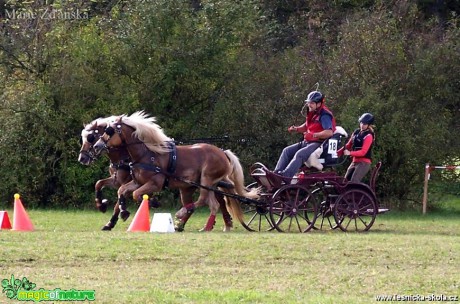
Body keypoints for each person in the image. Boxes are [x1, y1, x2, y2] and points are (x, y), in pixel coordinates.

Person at [274, 91, 336, 178]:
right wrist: (296, 129)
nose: (309, 105)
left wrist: (314, 135)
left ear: (319, 104)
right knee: (286, 151)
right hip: (308, 142)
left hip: (318, 143)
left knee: (300, 154)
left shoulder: (324, 115)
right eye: (308, 102)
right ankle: (276, 175)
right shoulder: (313, 112)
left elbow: (329, 132)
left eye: (312, 103)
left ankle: (286, 177)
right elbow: (307, 126)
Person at [338, 112, 375, 182]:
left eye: (364, 124)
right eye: (361, 123)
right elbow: (348, 145)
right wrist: (337, 153)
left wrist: (350, 153)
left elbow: (363, 152)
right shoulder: (356, 132)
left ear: (369, 125)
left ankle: (355, 193)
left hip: (364, 163)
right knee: (345, 181)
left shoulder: (369, 136)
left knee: (354, 181)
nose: (362, 125)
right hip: (355, 161)